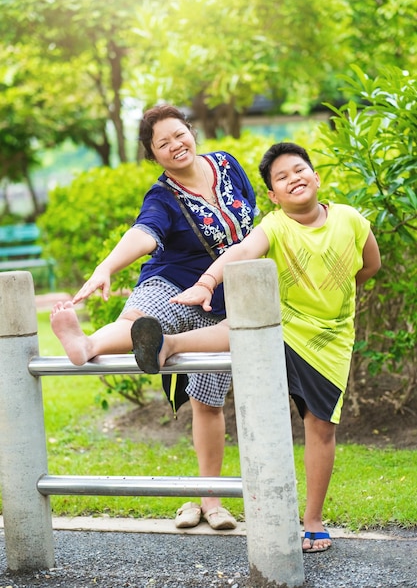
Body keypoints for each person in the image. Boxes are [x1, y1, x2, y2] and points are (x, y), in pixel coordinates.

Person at [130, 141, 381, 552]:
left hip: (330, 338)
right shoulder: (274, 226)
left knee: (320, 426)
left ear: (316, 178)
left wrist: (343, 294)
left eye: (299, 170)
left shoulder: (351, 220)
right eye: (281, 178)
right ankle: (167, 344)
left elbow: (370, 264)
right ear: (273, 196)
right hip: (283, 325)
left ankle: (313, 520)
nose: (293, 179)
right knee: (239, 327)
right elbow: (240, 251)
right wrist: (207, 282)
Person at [50, 104, 258, 531]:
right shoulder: (162, 195)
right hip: (173, 284)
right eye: (163, 144)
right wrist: (107, 267)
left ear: (190, 132)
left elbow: (251, 222)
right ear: (153, 154)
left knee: (208, 402)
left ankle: (210, 502)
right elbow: (144, 233)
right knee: (138, 322)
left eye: (178, 135)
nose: (175, 146)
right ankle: (86, 345)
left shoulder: (227, 165)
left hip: (224, 300)